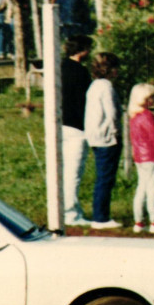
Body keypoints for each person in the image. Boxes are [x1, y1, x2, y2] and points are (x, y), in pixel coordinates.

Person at [83, 52, 123, 229]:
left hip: (94, 136)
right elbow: (112, 112)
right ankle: (100, 217)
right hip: (107, 137)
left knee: (103, 176)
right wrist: (116, 132)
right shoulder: (106, 87)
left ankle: (100, 214)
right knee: (106, 178)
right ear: (109, 69)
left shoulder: (93, 86)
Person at [60, 34, 94, 226]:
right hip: (77, 126)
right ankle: (71, 213)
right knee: (73, 173)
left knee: (64, 170)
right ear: (82, 51)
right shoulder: (81, 72)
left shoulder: (60, 68)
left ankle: (69, 208)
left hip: (60, 124)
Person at [127, 82, 154, 234]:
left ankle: (138, 221)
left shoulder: (134, 116)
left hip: (139, 157)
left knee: (141, 188)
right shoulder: (148, 116)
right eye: (151, 97)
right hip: (151, 156)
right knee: (153, 189)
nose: (153, 100)